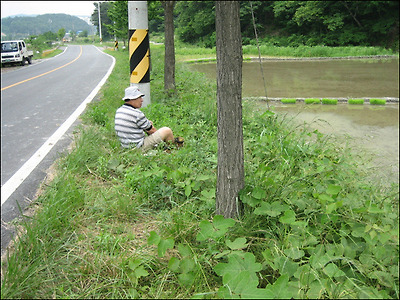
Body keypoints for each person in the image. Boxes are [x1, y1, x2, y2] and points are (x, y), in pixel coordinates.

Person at [115, 86, 179, 151]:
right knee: (166, 131)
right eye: (139, 97)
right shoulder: (137, 114)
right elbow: (152, 130)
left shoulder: (119, 111)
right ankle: (172, 149)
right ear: (132, 99)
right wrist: (161, 141)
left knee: (148, 123)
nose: (142, 100)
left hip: (126, 146)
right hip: (138, 147)